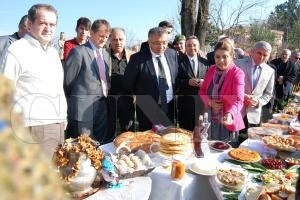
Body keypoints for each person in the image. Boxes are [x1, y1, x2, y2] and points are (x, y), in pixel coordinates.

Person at [2, 4, 67, 159]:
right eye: (43, 23)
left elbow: (58, 88)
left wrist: (63, 116)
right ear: (30, 25)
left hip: (56, 125)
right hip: (31, 128)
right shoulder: (17, 50)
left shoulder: (53, 53)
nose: (48, 29)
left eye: (52, 25)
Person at [64, 19, 111, 143]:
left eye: (106, 37)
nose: (104, 39)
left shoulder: (106, 54)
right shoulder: (78, 52)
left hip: (102, 105)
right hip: (83, 109)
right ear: (91, 33)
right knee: (82, 146)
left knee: (99, 144)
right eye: (101, 36)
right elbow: (68, 82)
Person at [123, 27, 178, 131]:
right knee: (149, 142)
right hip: (148, 110)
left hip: (170, 108)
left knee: (168, 141)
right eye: (156, 43)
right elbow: (127, 84)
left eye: (164, 42)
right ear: (149, 42)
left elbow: (175, 77)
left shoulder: (172, 54)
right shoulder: (137, 59)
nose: (161, 46)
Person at [199, 40, 245, 142]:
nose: (221, 60)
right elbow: (202, 91)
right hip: (210, 119)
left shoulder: (237, 73)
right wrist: (210, 102)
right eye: (218, 57)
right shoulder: (211, 70)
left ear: (232, 56)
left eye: (225, 56)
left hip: (227, 121)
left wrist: (230, 114)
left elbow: (239, 99)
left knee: (225, 154)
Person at [235, 41, 275, 130]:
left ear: (269, 56)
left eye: (265, 55)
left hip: (254, 114)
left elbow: (268, 94)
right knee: (234, 141)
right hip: (236, 110)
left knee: (250, 142)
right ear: (252, 52)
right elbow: (230, 85)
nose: (261, 57)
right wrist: (243, 96)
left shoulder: (270, 71)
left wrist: (258, 102)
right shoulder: (238, 64)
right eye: (259, 53)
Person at [107, 27, 135, 138]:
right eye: (114, 39)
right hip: (109, 100)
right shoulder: (104, 55)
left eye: (120, 39)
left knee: (128, 131)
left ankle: (128, 152)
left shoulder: (133, 56)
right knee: (109, 130)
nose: (118, 42)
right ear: (110, 40)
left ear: (125, 40)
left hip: (127, 100)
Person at [176, 36, 208, 131]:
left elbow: (210, 80)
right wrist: (187, 82)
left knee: (201, 131)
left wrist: (204, 82)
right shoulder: (178, 62)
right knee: (186, 131)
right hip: (185, 104)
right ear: (185, 47)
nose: (192, 47)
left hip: (201, 104)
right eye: (189, 45)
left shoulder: (205, 62)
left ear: (198, 47)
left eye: (194, 45)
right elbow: (174, 81)